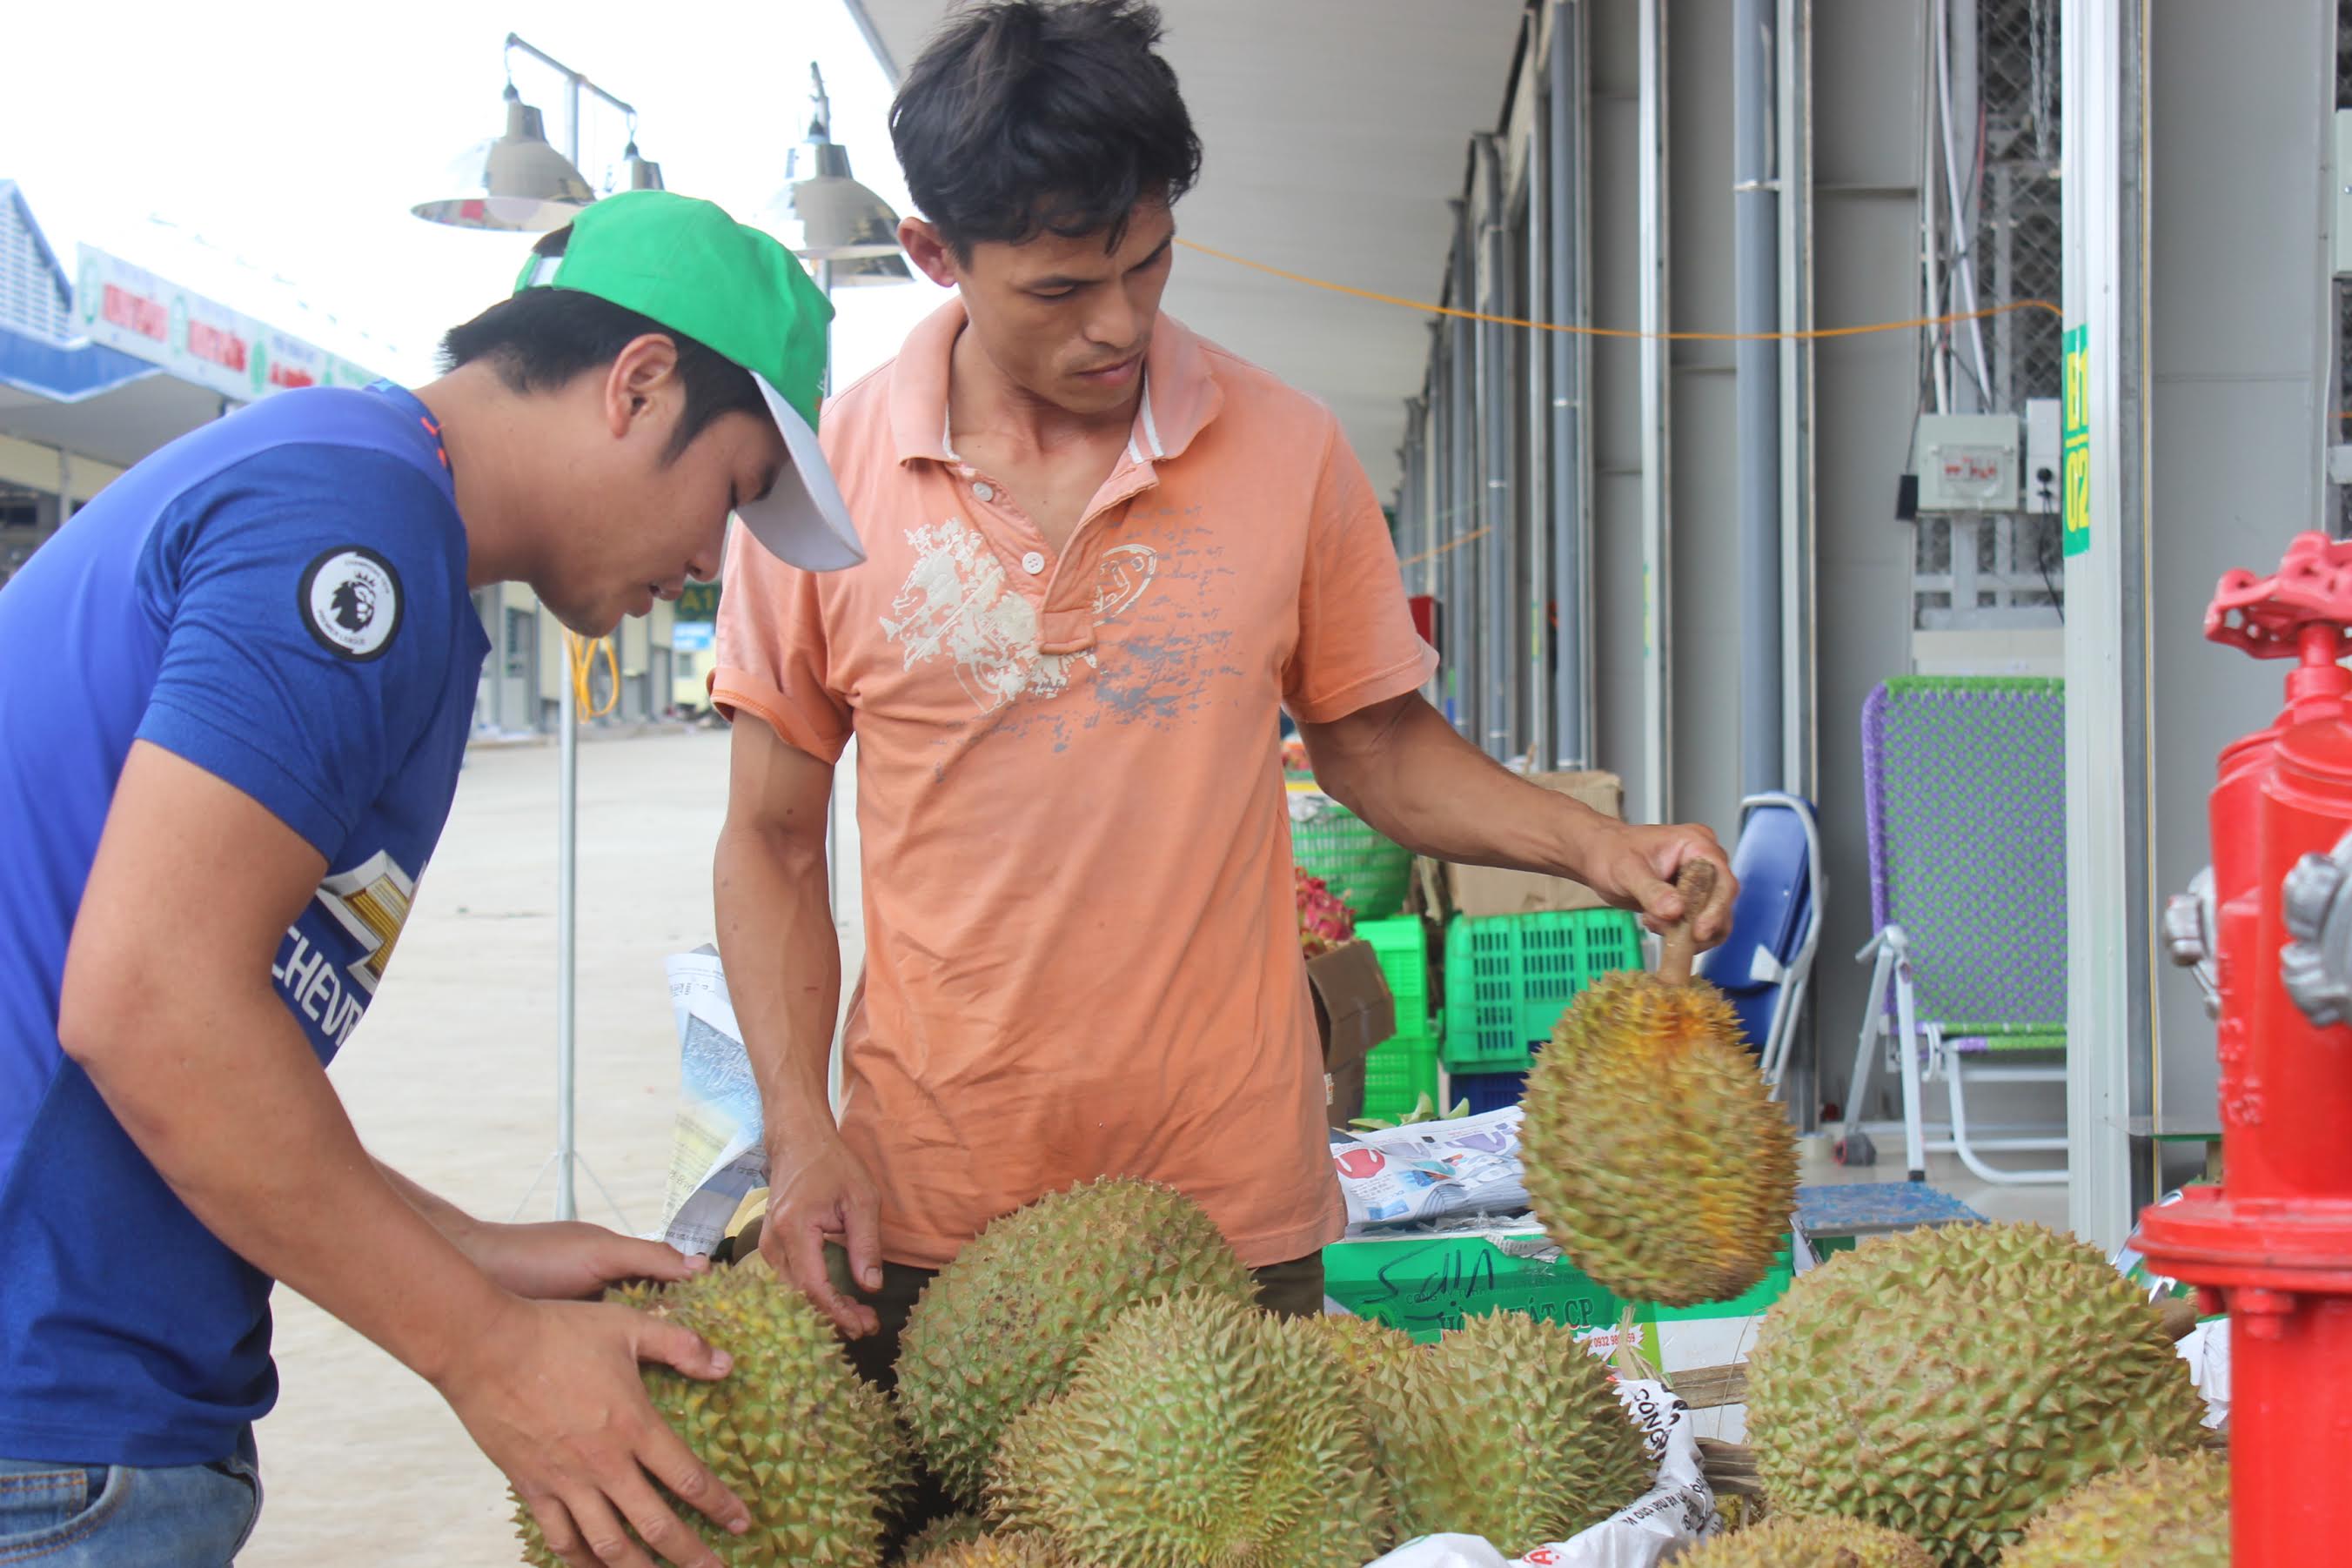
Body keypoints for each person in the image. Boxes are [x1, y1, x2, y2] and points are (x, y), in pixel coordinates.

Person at [713, 0, 1732, 1471]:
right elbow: (768, 839)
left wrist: (1598, 846)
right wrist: (796, 1126)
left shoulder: (1286, 448)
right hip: (932, 1205)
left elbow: (1377, 745)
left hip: (1228, 1210)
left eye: (1148, 261)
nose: (1119, 323)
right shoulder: (829, 481)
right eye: (1062, 287)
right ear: (937, 255)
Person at [0, 191, 863, 1568]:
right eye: (733, 492)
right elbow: (149, 1006)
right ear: (639, 386)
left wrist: (471, 1247)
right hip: (44, 1423)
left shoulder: (364, 513)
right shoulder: (354, 528)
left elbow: (208, 1042)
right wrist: (488, 1350)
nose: (715, 561)